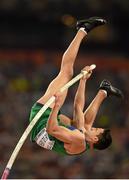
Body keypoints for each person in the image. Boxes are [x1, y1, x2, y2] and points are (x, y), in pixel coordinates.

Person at [29, 17, 123, 155]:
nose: (93, 127)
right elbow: (77, 106)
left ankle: (83, 29)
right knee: (83, 124)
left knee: (67, 72)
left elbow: (52, 130)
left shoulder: (79, 139)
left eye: (96, 129)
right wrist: (83, 80)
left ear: (95, 138)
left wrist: (56, 105)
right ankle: (104, 91)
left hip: (42, 118)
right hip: (51, 123)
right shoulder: (82, 135)